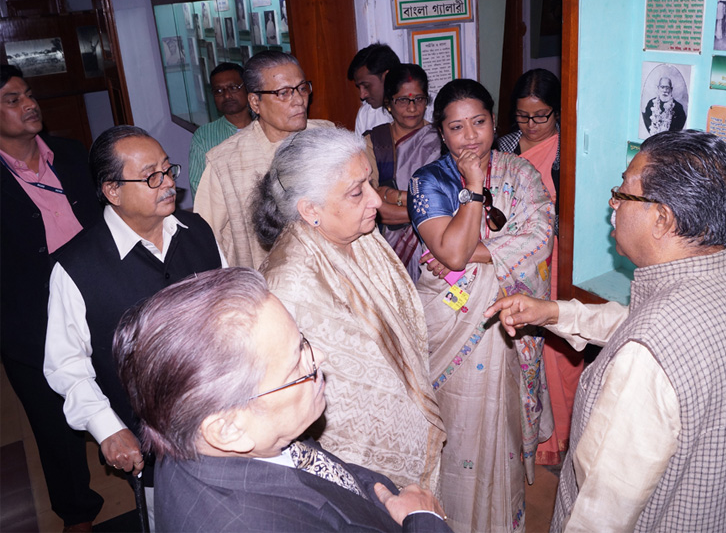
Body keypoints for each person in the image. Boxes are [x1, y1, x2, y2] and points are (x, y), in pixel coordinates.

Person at [486, 130, 726, 532]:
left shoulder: (647, 357)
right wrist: (553, 313)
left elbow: (600, 515)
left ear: (661, 219)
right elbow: (642, 322)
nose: (613, 202)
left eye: (623, 193)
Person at [113, 268, 451, 532]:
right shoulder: (253, 524)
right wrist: (424, 521)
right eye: (297, 368)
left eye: (302, 341)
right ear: (229, 429)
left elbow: (325, 475)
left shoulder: (198, 429)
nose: (319, 356)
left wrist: (384, 497)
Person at [44, 126, 224, 527]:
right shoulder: (76, 268)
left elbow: (231, 316)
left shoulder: (199, 233)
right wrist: (107, 428)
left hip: (225, 417)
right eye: (150, 176)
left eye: (167, 169)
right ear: (112, 191)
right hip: (152, 442)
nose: (168, 184)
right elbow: (65, 366)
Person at [253, 127, 445, 493]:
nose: (375, 200)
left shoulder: (361, 234)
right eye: (357, 192)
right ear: (310, 210)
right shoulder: (289, 283)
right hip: (357, 460)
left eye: (369, 183)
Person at [408, 79, 554, 532]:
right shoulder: (428, 180)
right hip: (449, 322)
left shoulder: (521, 172)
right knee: (459, 425)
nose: (470, 136)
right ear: (442, 132)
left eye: (479, 122)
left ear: (494, 121)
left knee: (500, 428)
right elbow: (449, 254)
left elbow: (539, 235)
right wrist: (472, 186)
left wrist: (472, 249)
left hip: (507, 318)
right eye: (456, 127)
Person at [0, 64, 104, 531]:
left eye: (28, 94)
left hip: (96, 303)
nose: (29, 104)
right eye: (12, 99)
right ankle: (76, 512)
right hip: (29, 321)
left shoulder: (69, 153)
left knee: (119, 393)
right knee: (52, 425)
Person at [496, 69, 581, 467]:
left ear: (558, 112)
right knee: (520, 351)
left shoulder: (569, 151)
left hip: (555, 259)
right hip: (511, 258)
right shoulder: (505, 146)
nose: (530, 126)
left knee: (558, 351)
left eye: (541, 116)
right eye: (522, 116)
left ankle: (560, 439)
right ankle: (531, 435)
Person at [194, 51, 332, 269]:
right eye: (283, 93)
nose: (298, 101)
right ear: (255, 102)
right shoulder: (226, 163)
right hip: (264, 286)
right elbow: (203, 240)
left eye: (302, 88)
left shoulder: (328, 138)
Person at [364, 63, 441, 282]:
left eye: (419, 99)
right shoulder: (376, 142)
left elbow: (453, 199)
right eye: (403, 100)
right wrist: (431, 210)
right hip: (389, 250)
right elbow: (379, 210)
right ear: (388, 103)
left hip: (437, 247)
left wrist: (392, 196)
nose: (412, 108)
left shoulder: (440, 138)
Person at [188, 63, 252, 198]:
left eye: (233, 88)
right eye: (218, 91)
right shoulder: (204, 136)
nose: (227, 96)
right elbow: (199, 188)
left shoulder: (267, 127)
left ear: (248, 88)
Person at [348, 43, 400, 135]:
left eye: (366, 86)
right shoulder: (365, 115)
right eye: (359, 87)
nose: (362, 95)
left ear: (387, 77)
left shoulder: (424, 108)